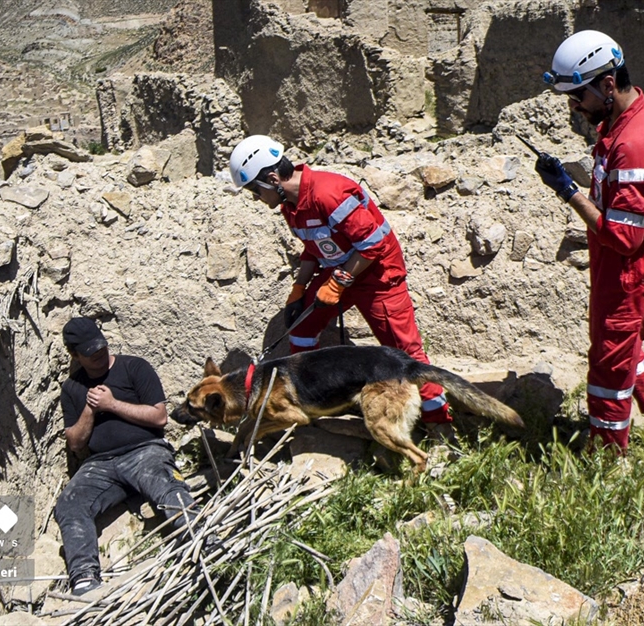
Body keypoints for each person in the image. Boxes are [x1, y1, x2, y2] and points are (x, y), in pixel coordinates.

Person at [228, 135, 451, 427]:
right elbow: (312, 247)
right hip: (342, 271)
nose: (258, 199)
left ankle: (439, 423)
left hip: (378, 274)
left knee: (404, 352)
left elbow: (373, 245)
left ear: (272, 179)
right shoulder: (291, 206)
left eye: (256, 191)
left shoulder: (328, 194)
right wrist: (299, 289)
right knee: (301, 328)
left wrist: (336, 284)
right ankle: (314, 399)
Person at [535, 30, 644, 452]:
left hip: (630, 267)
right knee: (624, 342)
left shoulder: (635, 143)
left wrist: (568, 192)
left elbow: (622, 237)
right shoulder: (619, 121)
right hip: (619, 263)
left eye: (577, 96)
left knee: (609, 360)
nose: (573, 107)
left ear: (606, 85)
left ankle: (606, 455)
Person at [54, 317, 203, 596]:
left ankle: (200, 540)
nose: (99, 355)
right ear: (74, 355)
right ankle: (85, 578)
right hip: (100, 464)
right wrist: (90, 409)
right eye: (90, 353)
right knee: (69, 504)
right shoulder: (72, 389)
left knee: (164, 484)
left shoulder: (134, 367)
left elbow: (159, 417)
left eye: (101, 347)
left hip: (144, 451)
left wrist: (112, 404)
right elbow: (75, 443)